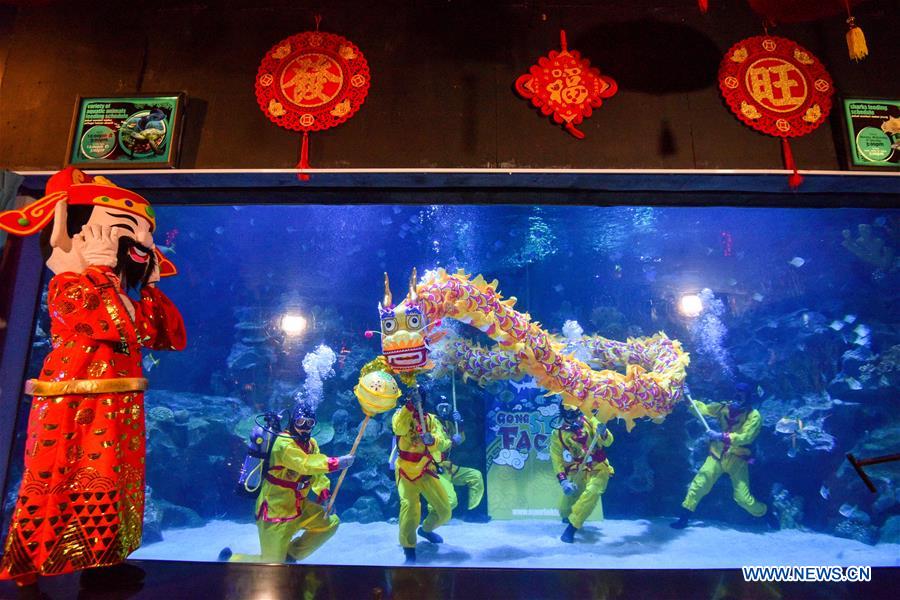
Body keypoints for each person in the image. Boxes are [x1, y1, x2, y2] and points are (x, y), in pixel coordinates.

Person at [0, 167, 186, 595]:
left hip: (119, 403)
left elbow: (166, 337)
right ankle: (30, 567)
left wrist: (152, 287)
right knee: (61, 480)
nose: (139, 247)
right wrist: (101, 272)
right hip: (75, 403)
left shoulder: (118, 290)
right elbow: (109, 326)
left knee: (112, 482)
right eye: (127, 233)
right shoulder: (70, 284)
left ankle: (103, 561)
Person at [221, 402, 353, 563]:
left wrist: (324, 494)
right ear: (293, 422)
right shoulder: (283, 443)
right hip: (276, 513)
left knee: (330, 524)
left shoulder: (311, 444)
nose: (305, 427)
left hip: (299, 508)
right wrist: (336, 463)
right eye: (300, 422)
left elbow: (316, 473)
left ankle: (290, 556)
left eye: (310, 423)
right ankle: (231, 560)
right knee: (270, 563)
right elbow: (304, 464)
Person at [671, 382, 769, 529]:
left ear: (748, 398)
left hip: (738, 458)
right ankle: (683, 519)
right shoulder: (723, 407)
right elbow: (702, 409)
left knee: (742, 498)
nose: (737, 397)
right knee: (698, 485)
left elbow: (746, 437)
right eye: (736, 393)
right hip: (716, 455)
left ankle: (764, 513)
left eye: (741, 395)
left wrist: (721, 436)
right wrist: (687, 397)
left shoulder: (754, 416)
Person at [391, 388, 452, 564]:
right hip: (405, 470)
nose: (415, 400)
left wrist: (433, 440)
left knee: (444, 510)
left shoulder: (431, 420)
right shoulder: (400, 415)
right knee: (410, 508)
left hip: (425, 468)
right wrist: (409, 407)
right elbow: (399, 428)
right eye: (410, 398)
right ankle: (408, 548)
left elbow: (444, 441)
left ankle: (426, 530)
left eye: (417, 398)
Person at [550, 403, 615, 543]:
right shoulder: (558, 434)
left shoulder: (591, 420)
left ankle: (572, 528)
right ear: (564, 416)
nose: (576, 423)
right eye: (571, 419)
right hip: (579, 470)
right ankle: (567, 516)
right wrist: (564, 482)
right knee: (565, 507)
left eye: (577, 417)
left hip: (599, 467)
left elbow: (608, 441)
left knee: (592, 492)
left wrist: (603, 432)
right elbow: (556, 459)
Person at [430, 399, 485, 518]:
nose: (444, 410)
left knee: (475, 476)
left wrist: (460, 423)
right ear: (435, 408)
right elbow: (440, 443)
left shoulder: (448, 424)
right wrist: (453, 442)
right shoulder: (432, 423)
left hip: (448, 467)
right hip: (435, 468)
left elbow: (461, 439)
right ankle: (432, 516)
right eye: (441, 407)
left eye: (447, 407)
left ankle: (472, 512)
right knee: (450, 500)